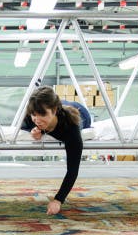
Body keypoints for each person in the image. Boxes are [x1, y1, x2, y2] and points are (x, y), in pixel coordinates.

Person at [20, 86, 92, 215]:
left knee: (77, 114)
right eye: (33, 115)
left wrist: (58, 200)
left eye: (42, 114)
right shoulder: (33, 114)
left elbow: (73, 170)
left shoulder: (71, 128)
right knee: (38, 117)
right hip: (61, 105)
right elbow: (25, 125)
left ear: (54, 110)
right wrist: (35, 130)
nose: (37, 119)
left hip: (81, 112)